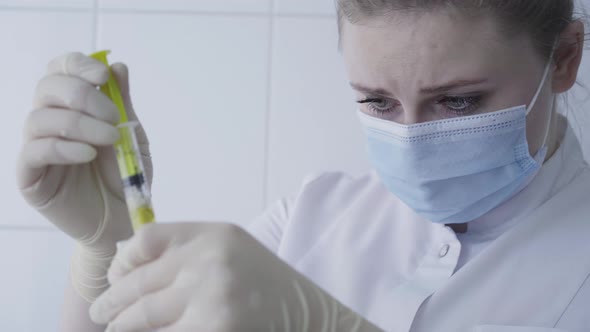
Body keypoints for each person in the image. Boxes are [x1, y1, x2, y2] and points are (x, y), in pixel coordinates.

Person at [17, 0, 589, 331]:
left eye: (459, 101)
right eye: (376, 101)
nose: (411, 140)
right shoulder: (314, 214)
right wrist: (108, 247)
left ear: (563, 60)